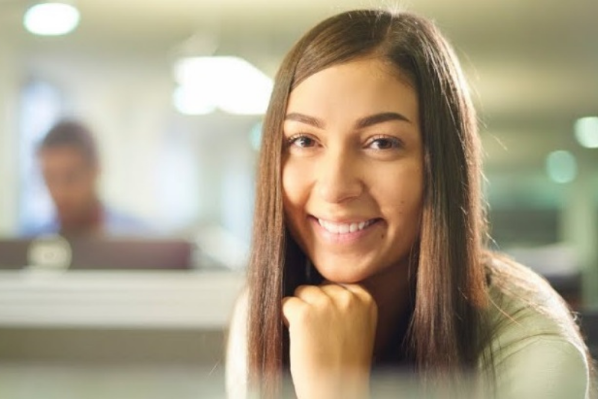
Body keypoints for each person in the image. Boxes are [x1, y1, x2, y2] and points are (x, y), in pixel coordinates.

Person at [226, 9, 594, 399]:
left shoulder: (536, 353)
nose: (335, 188)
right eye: (304, 141)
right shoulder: (265, 313)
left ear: (438, 166)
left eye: (381, 143)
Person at [21, 119, 147, 238]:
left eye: (71, 177)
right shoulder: (29, 241)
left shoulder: (138, 239)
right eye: (50, 178)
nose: (60, 192)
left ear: (95, 170)